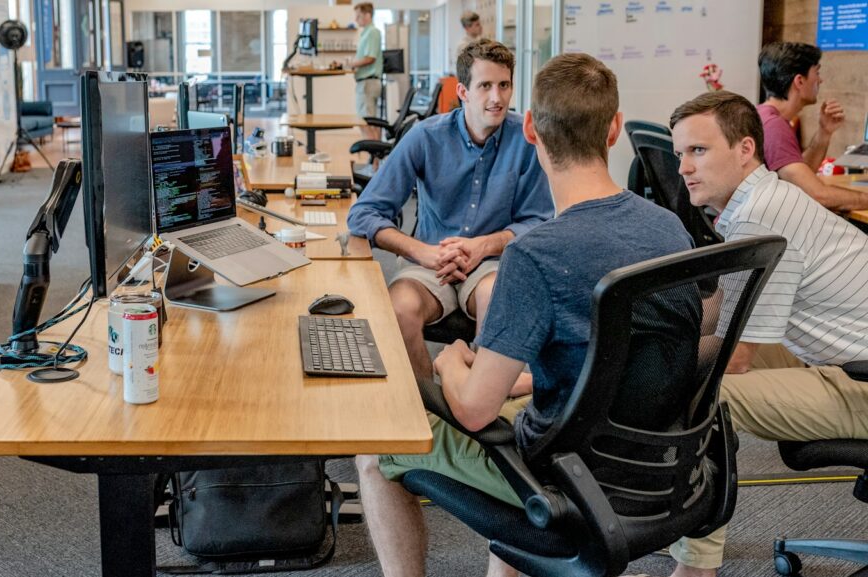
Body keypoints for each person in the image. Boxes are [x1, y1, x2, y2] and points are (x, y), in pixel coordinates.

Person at [356, 52, 702, 577]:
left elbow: (473, 412)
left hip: (563, 477)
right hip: (657, 464)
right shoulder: (669, 229)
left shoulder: (534, 257)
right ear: (614, 129)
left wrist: (451, 361)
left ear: (533, 130)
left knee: (372, 454)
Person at [662, 90, 868, 577]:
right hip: (836, 357)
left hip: (857, 380)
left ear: (745, 150)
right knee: (689, 368)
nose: (683, 168)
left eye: (698, 150)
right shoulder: (761, 200)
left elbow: (734, 356)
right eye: (679, 154)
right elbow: (722, 312)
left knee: (705, 396)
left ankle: (696, 568)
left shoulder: (760, 215)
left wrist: (645, 364)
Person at [347, 38, 553, 384]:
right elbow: (364, 213)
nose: (497, 98)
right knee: (400, 308)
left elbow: (540, 221)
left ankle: (479, 401)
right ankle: (429, 404)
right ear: (463, 91)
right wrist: (421, 252)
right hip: (429, 260)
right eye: (485, 86)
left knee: (496, 298)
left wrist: (483, 246)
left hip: (491, 263)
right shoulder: (425, 137)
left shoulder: (527, 140)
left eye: (504, 85)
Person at [756, 41, 868, 211]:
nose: (820, 80)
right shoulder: (774, 127)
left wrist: (824, 132)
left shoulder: (766, 116)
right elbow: (817, 194)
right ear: (799, 81)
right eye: (817, 72)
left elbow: (801, 177)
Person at [351, 2, 383, 140]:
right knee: (368, 122)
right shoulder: (366, 33)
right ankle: (375, 158)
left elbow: (370, 58)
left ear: (368, 15)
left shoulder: (372, 32)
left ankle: (375, 158)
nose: (356, 19)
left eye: (358, 16)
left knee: (366, 122)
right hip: (366, 82)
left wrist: (352, 64)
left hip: (368, 83)